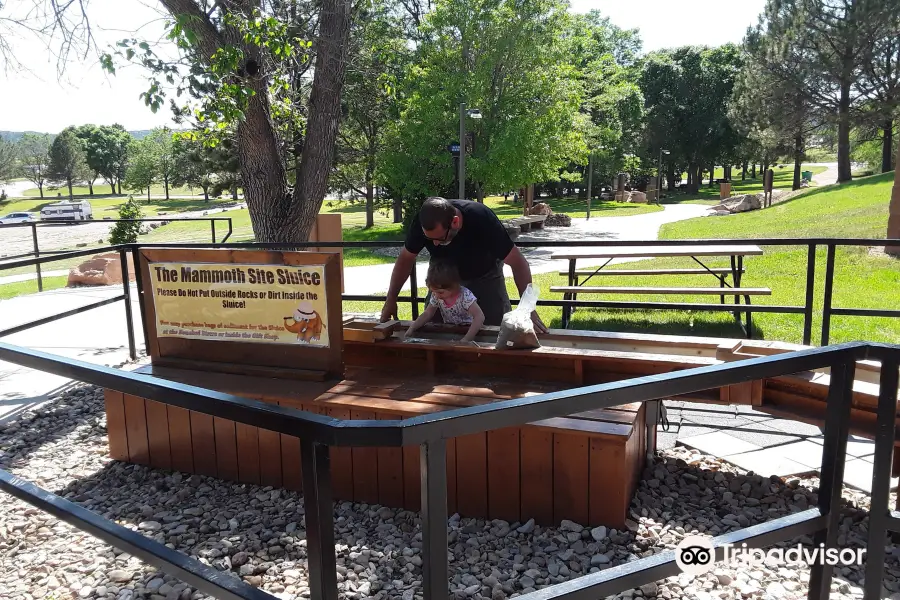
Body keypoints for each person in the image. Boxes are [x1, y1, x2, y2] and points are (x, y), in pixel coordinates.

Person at [380, 196, 548, 331]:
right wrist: (391, 299)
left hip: (484, 275)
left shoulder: (482, 219)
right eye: (429, 240)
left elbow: (519, 264)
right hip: (443, 276)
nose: (435, 245)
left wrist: (528, 309)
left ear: (455, 222)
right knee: (432, 329)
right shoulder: (424, 222)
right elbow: (405, 259)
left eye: (439, 238)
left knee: (494, 330)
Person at [405, 260, 484, 343]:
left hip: (470, 332)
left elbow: (479, 316)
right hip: (451, 332)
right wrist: (412, 328)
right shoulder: (436, 296)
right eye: (433, 292)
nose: (437, 295)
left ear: (454, 286)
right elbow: (428, 313)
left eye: (440, 292)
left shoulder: (465, 296)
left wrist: (467, 339)